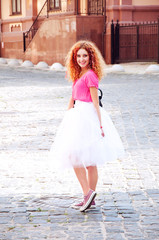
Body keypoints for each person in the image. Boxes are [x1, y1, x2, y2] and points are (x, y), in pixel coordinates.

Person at [50, 40, 125, 212]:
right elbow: (72, 98)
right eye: (79, 55)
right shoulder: (77, 74)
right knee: (79, 157)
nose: (81, 59)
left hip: (87, 117)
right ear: (74, 57)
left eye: (85, 55)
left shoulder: (90, 75)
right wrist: (66, 117)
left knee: (82, 159)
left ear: (91, 57)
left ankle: (87, 194)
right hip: (76, 116)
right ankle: (89, 197)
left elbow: (95, 102)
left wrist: (100, 125)